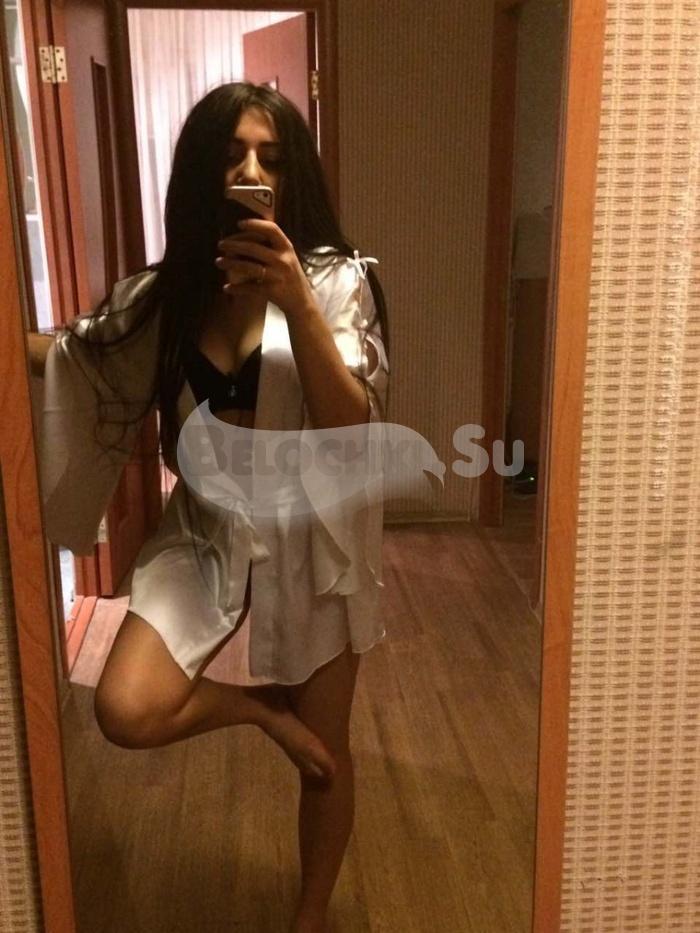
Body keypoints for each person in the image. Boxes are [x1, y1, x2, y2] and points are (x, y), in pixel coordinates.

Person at [30, 81, 389, 933]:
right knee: (125, 708)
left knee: (325, 759)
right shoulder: (168, 293)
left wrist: (295, 299)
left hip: (311, 534)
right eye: (231, 156)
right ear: (202, 174)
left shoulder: (338, 282)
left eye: (271, 156)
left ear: (294, 175)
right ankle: (262, 712)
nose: (252, 171)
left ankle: (308, 919)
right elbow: (81, 354)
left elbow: (352, 425)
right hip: (206, 525)